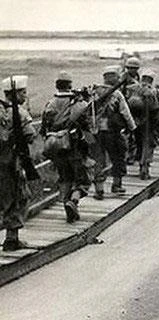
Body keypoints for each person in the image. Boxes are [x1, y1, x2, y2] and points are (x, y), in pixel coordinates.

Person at [40, 71, 93, 222]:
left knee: (64, 178)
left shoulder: (49, 104)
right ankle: (74, 201)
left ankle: (67, 207)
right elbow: (88, 126)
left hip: (56, 148)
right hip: (74, 146)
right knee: (83, 179)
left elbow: (43, 130)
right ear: (70, 85)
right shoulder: (78, 103)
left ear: (57, 86)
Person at [0, 75, 36, 251]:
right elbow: (31, 135)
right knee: (18, 197)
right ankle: (11, 238)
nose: (25, 95)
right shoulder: (20, 113)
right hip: (11, 162)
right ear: (15, 94)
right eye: (23, 92)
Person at [92, 65, 136, 198]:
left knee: (98, 160)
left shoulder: (94, 92)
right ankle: (116, 185)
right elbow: (125, 113)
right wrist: (132, 128)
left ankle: (99, 189)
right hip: (113, 132)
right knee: (118, 157)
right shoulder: (117, 94)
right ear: (114, 78)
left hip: (96, 132)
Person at [135, 69, 159, 179]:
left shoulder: (134, 89)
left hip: (137, 122)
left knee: (139, 142)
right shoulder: (155, 91)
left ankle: (139, 163)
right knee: (149, 144)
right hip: (151, 122)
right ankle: (145, 167)